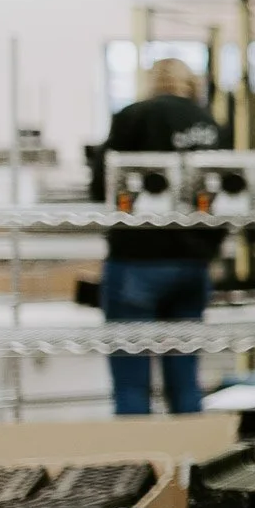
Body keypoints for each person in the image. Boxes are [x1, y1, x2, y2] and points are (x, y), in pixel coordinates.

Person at [88, 58, 226, 414]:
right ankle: (191, 449)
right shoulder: (211, 125)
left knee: (132, 383)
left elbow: (102, 185)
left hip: (138, 260)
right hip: (192, 263)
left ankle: (140, 451)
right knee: (185, 379)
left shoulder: (133, 116)